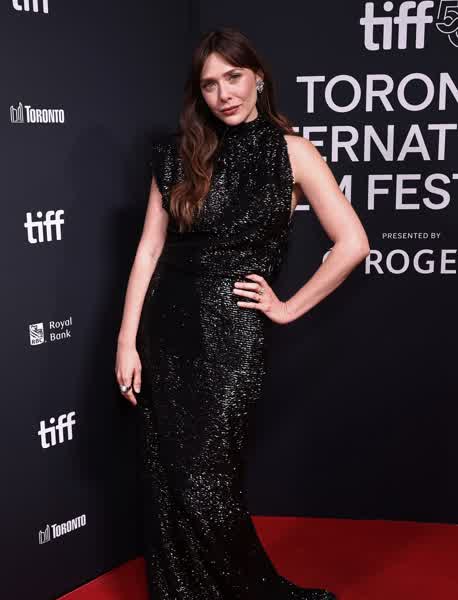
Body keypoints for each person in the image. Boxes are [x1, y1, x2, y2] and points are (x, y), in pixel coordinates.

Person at [115, 27, 369, 600]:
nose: (224, 93)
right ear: (199, 93)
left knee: (207, 481)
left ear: (257, 77)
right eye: (210, 84)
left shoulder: (292, 152)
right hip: (164, 328)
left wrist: (287, 307)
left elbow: (353, 242)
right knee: (167, 477)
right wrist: (126, 340)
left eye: (233, 77)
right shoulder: (177, 153)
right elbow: (150, 250)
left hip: (232, 336)